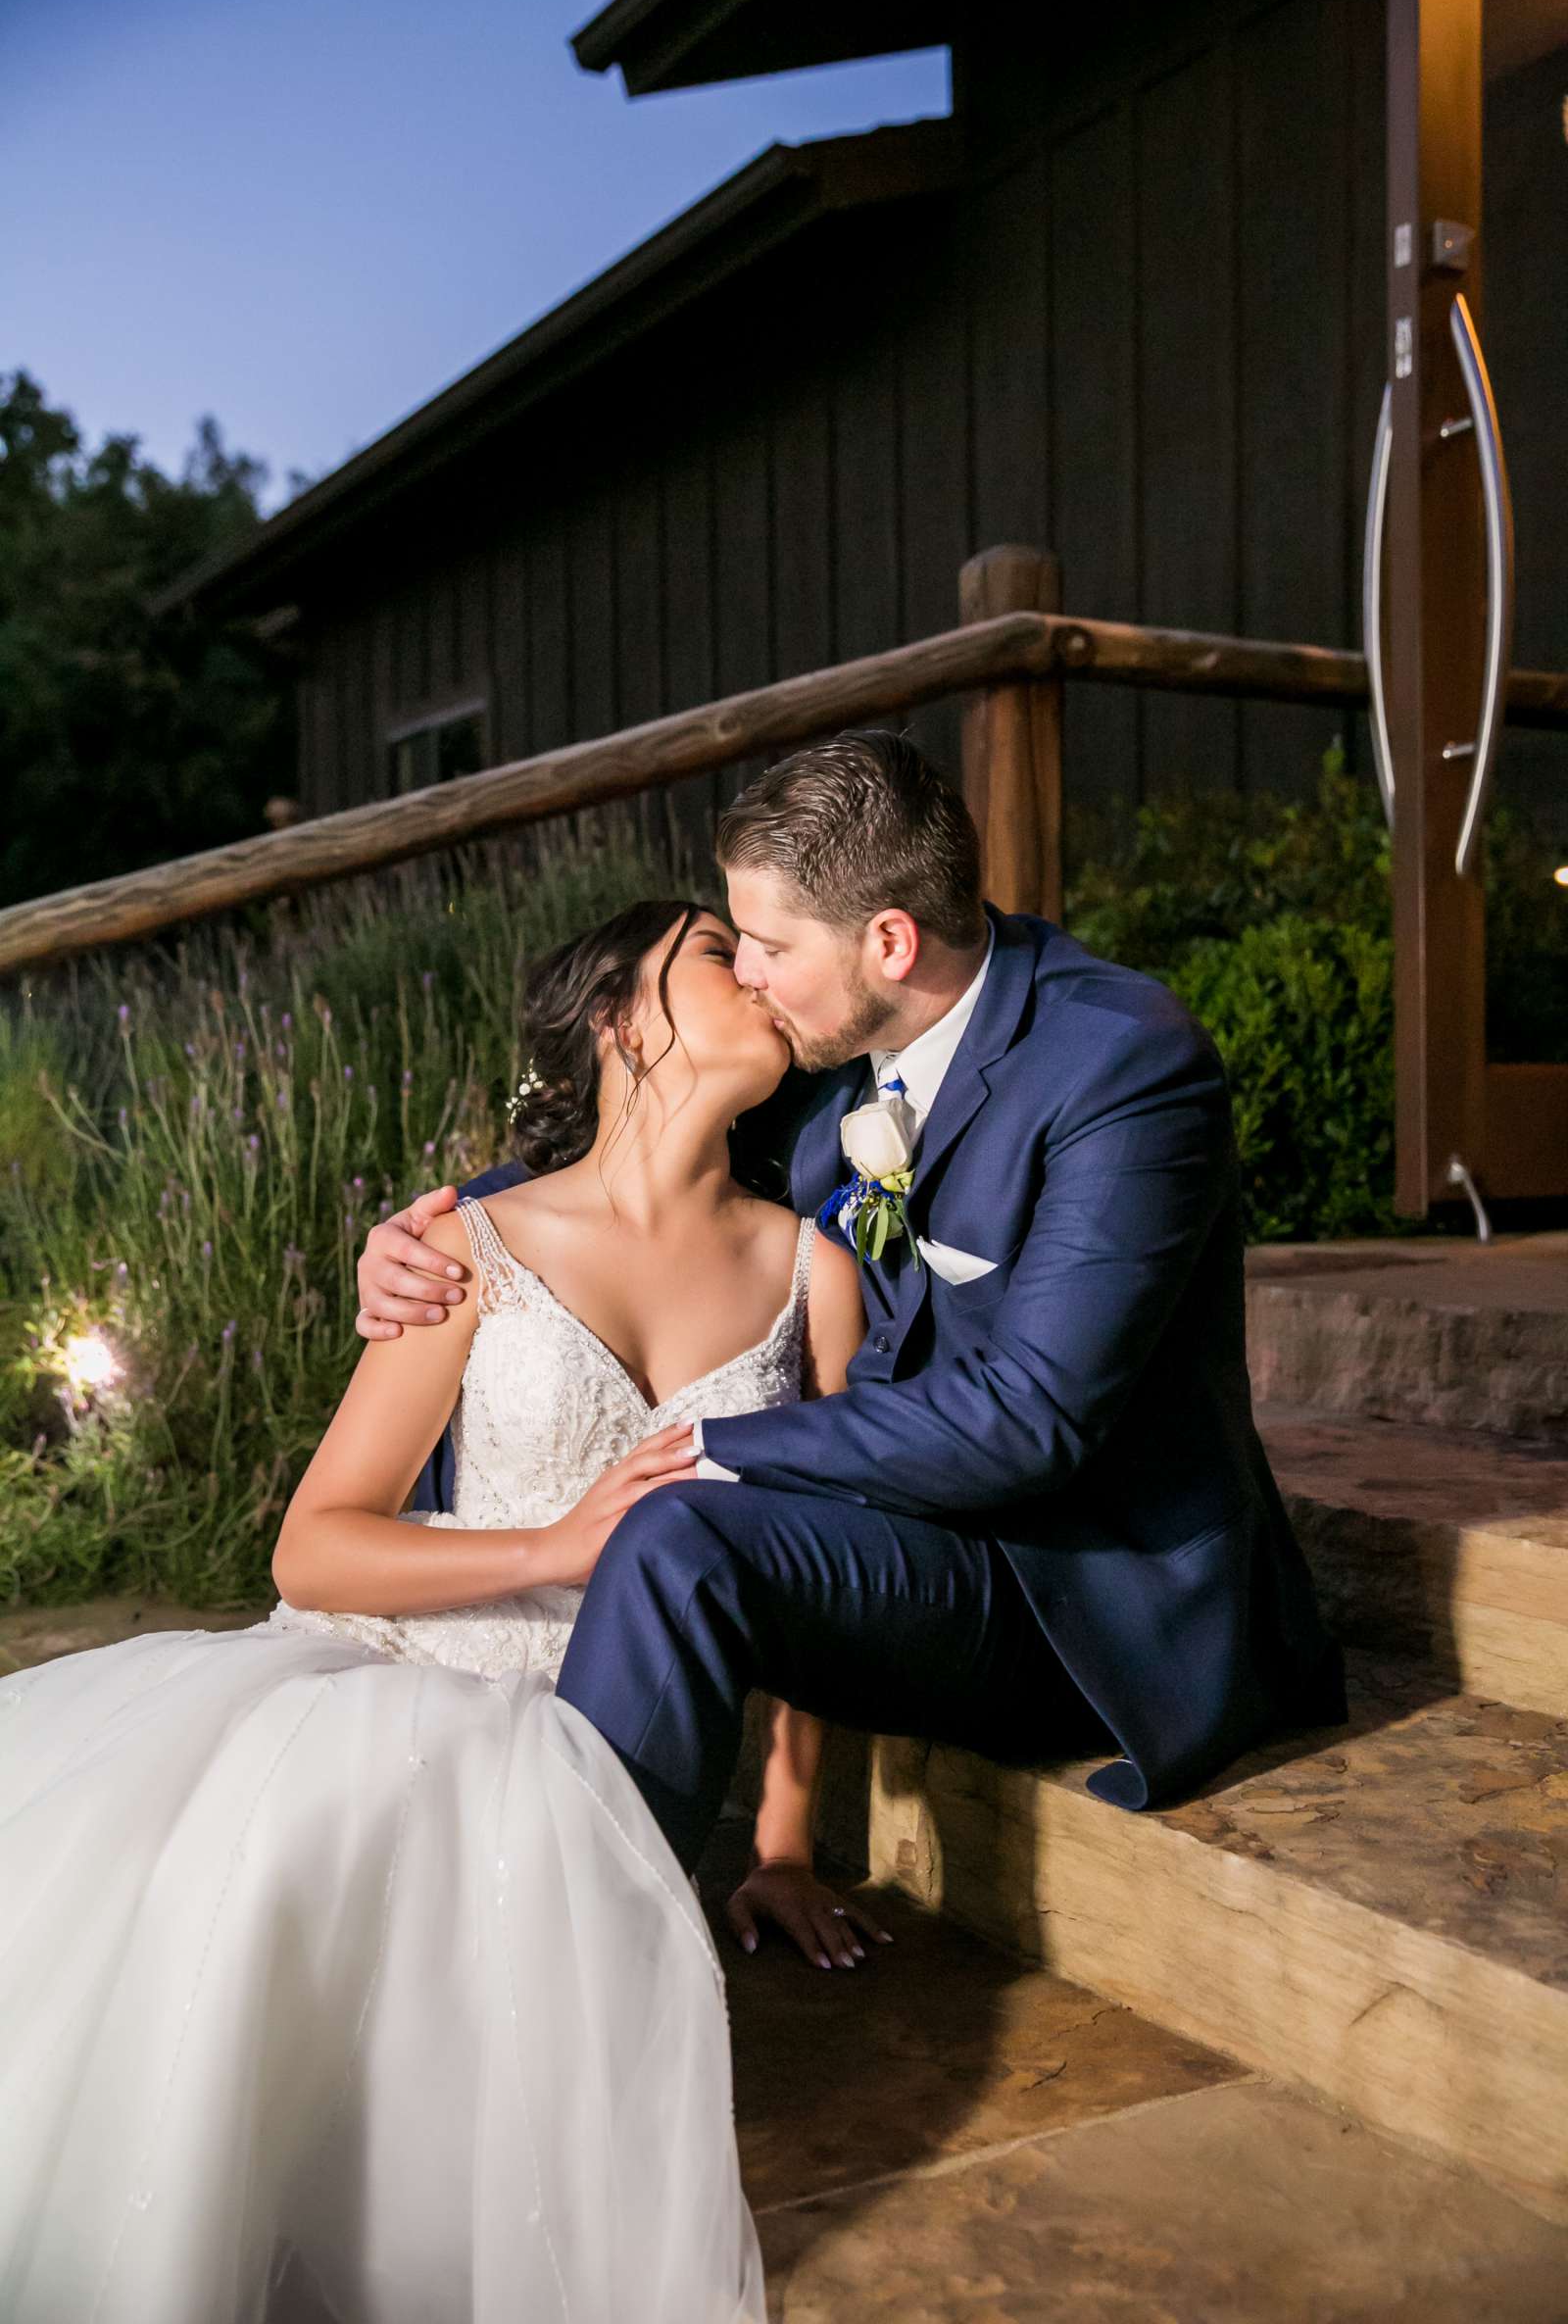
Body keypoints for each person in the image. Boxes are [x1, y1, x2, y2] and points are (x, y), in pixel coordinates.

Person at [0, 895, 893, 2324]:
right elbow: (313, 1549)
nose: (761, 970)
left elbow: (823, 1579)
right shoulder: (465, 1245)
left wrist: (783, 1844)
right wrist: (554, 1540)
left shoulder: (815, 1277)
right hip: (406, 1671)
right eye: (718, 951)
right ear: (623, 1021)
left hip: (603, 1732)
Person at [358, 730, 1348, 1881]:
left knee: (677, 1525)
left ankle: (578, 1952)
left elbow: (1032, 1422)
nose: (750, 980)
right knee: (682, 1540)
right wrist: (435, 1239)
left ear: (887, 940)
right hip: (893, 1543)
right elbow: (640, 1159)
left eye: (768, 946)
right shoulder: (835, 1050)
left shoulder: (1120, 1067)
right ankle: (564, 1941)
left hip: (1069, 1592)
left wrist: (706, 1451)